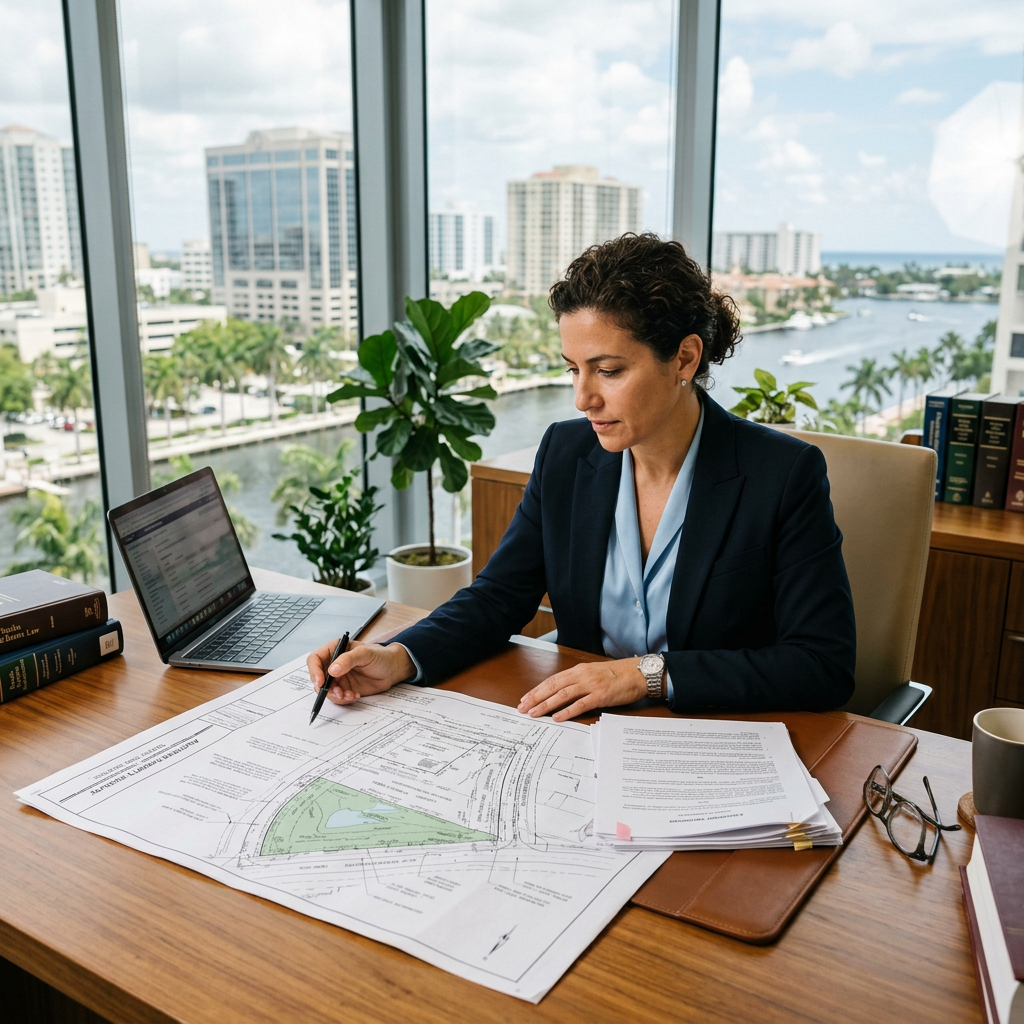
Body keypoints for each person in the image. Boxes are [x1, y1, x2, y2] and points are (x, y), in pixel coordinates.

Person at [308, 232, 856, 722]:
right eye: (574, 369)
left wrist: (642, 674)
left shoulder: (781, 474)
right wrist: (400, 656)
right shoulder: (566, 453)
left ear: (685, 358)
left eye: (609, 371)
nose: (583, 398)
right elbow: (500, 596)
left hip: (712, 737)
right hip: (581, 734)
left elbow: (821, 664)